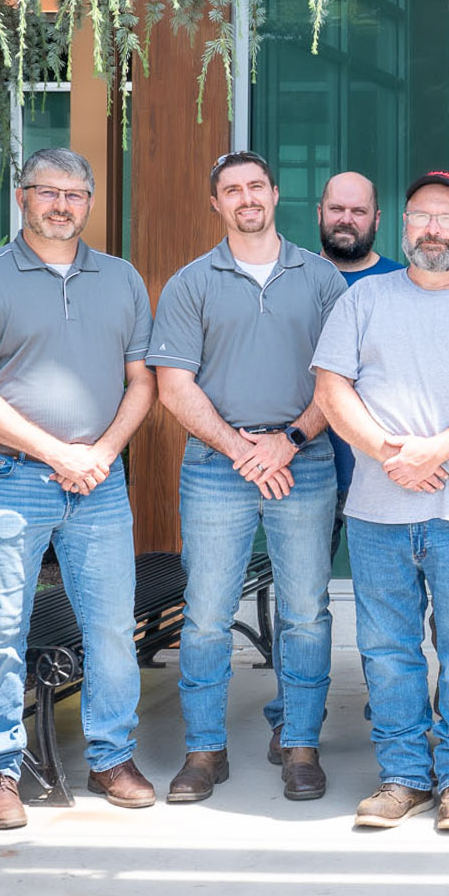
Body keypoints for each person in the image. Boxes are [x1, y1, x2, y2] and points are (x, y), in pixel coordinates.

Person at [313, 170, 449, 834]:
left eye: (446, 217)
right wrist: (391, 453)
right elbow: (332, 389)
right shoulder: (363, 300)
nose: (433, 229)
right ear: (402, 227)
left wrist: (433, 451)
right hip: (379, 512)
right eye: (421, 217)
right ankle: (405, 776)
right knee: (387, 649)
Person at [0, 148, 157, 828]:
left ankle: (111, 756)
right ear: (23, 198)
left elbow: (142, 381)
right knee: (0, 629)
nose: (63, 206)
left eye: (76, 195)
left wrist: (100, 453)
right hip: (8, 478)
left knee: (113, 627)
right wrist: (59, 451)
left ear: (90, 203)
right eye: (49, 192)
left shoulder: (121, 279)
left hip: (100, 483)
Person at [149, 151, 347, 803]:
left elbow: (339, 382)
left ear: (275, 193)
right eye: (231, 190)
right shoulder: (190, 284)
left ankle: (300, 745)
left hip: (305, 462)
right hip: (215, 469)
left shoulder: (320, 280)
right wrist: (242, 449)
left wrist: (287, 442)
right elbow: (174, 388)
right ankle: (204, 752)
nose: (245, 198)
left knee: (306, 615)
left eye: (255, 186)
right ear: (217, 203)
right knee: (205, 618)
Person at [316, 172, 405, 557]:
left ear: (377, 219)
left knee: (388, 592)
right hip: (306, 467)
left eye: (358, 211)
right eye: (337, 209)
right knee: (303, 599)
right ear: (319, 213)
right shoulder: (292, 277)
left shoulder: (403, 283)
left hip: (382, 470)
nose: (346, 219)